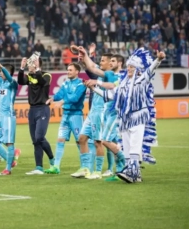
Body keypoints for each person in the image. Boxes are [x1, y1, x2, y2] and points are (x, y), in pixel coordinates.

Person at [89, 49, 165, 183]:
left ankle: (132, 173)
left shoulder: (141, 80)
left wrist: (158, 59)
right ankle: (134, 173)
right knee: (127, 147)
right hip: (125, 121)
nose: (129, 68)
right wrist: (94, 89)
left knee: (135, 146)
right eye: (129, 66)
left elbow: (150, 70)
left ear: (137, 68)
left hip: (137, 118)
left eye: (132, 67)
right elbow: (110, 95)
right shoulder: (123, 84)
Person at [78, 49, 125, 179]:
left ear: (119, 63)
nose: (110, 63)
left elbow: (111, 86)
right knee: (109, 141)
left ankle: (121, 167)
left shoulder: (125, 76)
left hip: (119, 112)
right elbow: (92, 68)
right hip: (108, 111)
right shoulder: (109, 74)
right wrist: (86, 55)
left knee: (110, 141)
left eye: (113, 61)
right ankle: (119, 169)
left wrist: (96, 83)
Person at [71, 48, 113, 179]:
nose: (100, 62)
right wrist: (84, 56)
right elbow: (90, 67)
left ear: (110, 63)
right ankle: (85, 168)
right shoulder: (100, 74)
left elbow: (93, 69)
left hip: (101, 112)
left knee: (98, 142)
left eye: (103, 60)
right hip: (92, 111)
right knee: (82, 139)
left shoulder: (110, 75)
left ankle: (98, 171)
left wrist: (86, 56)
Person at [43, 64, 86, 174]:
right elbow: (59, 94)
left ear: (77, 72)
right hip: (66, 115)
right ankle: (56, 167)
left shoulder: (81, 84)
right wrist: (52, 98)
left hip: (76, 115)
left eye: (71, 70)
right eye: (67, 70)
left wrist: (62, 101)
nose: (68, 72)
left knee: (79, 141)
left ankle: (84, 166)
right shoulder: (65, 83)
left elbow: (75, 98)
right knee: (60, 139)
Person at [18, 56, 55, 175]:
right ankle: (39, 167)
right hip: (32, 110)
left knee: (39, 137)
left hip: (43, 108)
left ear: (38, 64)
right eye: (29, 63)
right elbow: (20, 81)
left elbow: (43, 83)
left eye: (31, 63)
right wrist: (22, 68)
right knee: (35, 140)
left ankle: (52, 159)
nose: (30, 65)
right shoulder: (30, 76)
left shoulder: (46, 75)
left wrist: (37, 69)